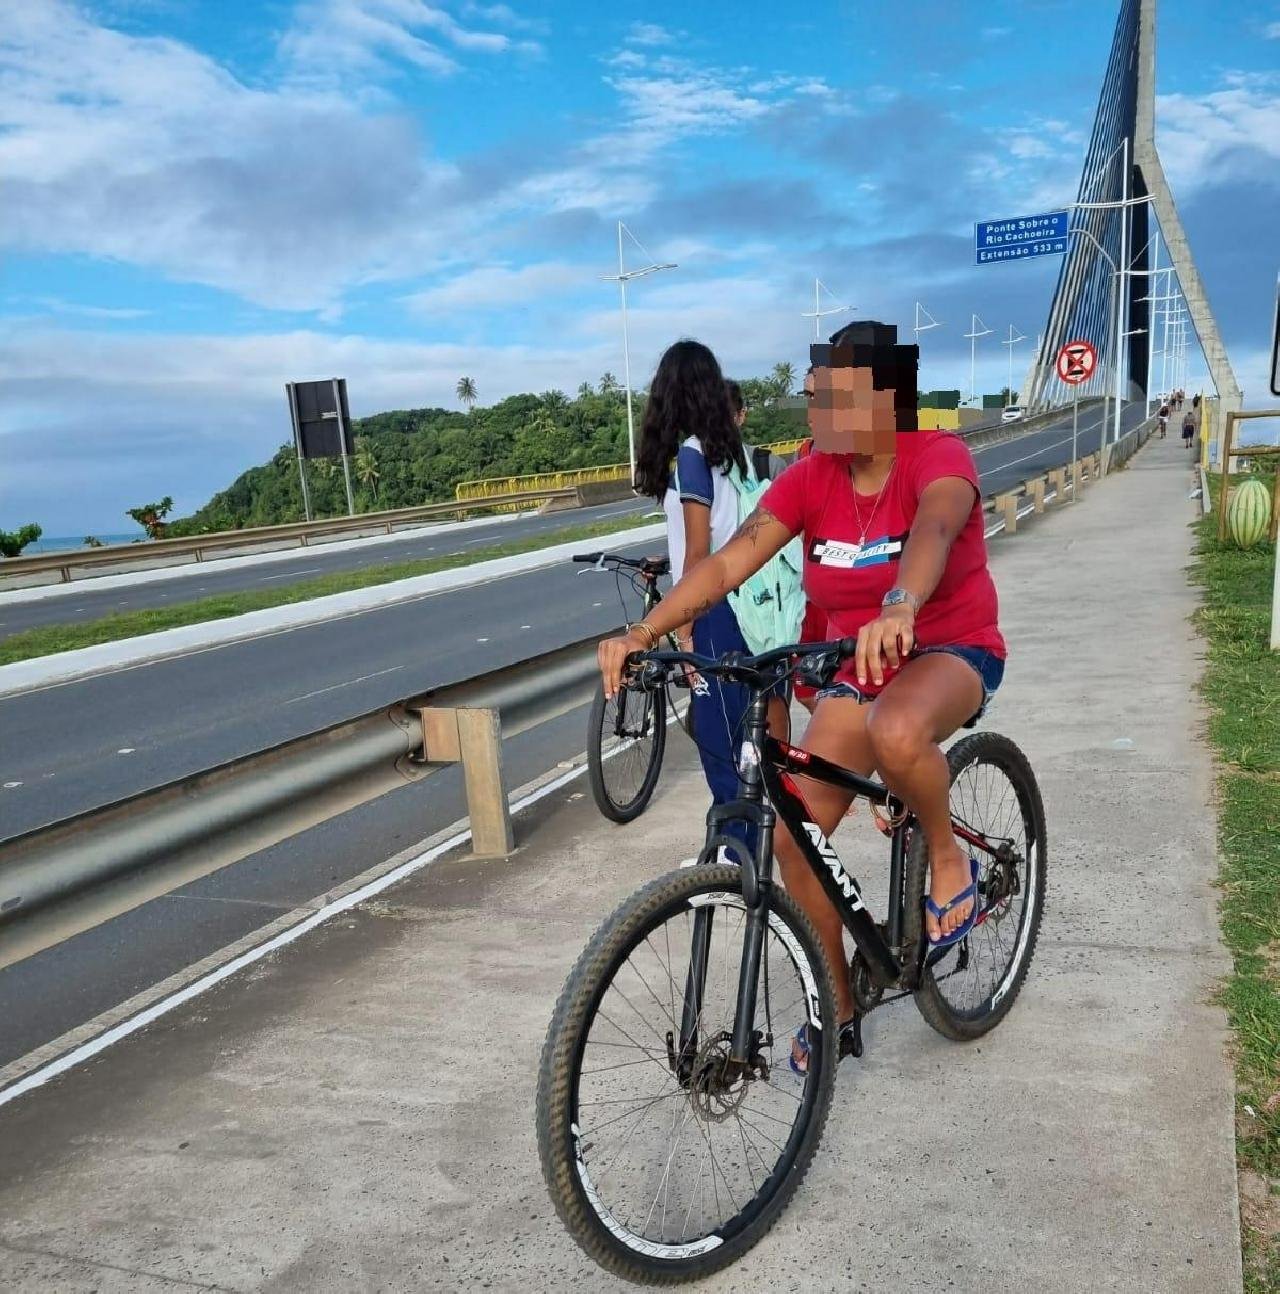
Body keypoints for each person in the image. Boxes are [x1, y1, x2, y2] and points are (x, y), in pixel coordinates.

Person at [601, 321, 1006, 1068]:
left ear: (887, 397)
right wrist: (644, 631)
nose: (821, 415)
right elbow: (725, 565)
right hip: (860, 664)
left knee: (896, 732)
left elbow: (938, 527)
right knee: (792, 836)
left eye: (839, 399)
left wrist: (901, 602)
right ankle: (838, 1004)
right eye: (818, 399)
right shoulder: (814, 474)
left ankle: (949, 861)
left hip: (947, 643)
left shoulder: (936, 454)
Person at [635, 340, 788, 861]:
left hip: (714, 610)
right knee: (750, 731)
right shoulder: (735, 452)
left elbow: (700, 550)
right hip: (755, 606)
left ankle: (734, 852)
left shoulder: (692, 455)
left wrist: (683, 621)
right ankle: (746, 843)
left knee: (720, 735)